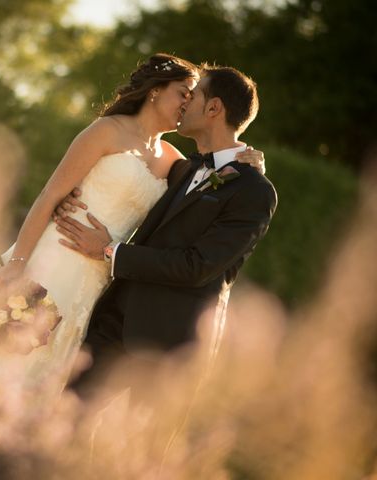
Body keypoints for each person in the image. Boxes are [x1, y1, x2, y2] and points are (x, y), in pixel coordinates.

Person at [0, 53, 265, 389]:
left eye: (192, 96)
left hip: (98, 279)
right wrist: (18, 263)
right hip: (54, 258)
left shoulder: (176, 162)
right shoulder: (106, 131)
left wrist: (249, 162)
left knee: (45, 373)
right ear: (156, 91)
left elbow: (209, 182)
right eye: (182, 93)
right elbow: (49, 197)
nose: (187, 103)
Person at [53, 64, 278, 398]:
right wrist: (71, 196)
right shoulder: (185, 169)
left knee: (134, 450)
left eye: (194, 95)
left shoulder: (254, 191)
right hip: (115, 323)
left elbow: (197, 265)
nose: (184, 103)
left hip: (171, 350)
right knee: (64, 419)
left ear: (214, 108)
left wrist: (110, 250)